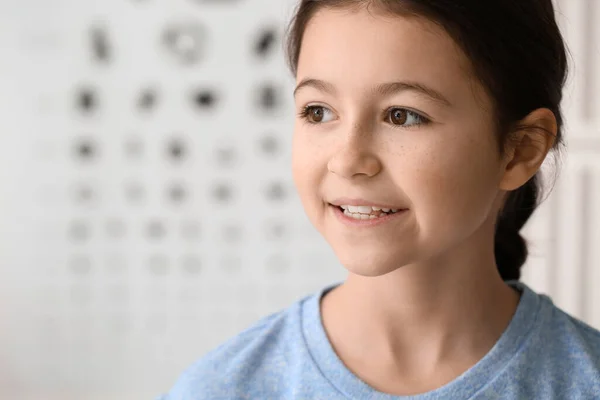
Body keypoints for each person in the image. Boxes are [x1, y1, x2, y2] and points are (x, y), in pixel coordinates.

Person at [157, 0, 600, 398]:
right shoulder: (221, 388)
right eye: (318, 111)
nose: (348, 161)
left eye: (402, 116)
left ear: (519, 150)